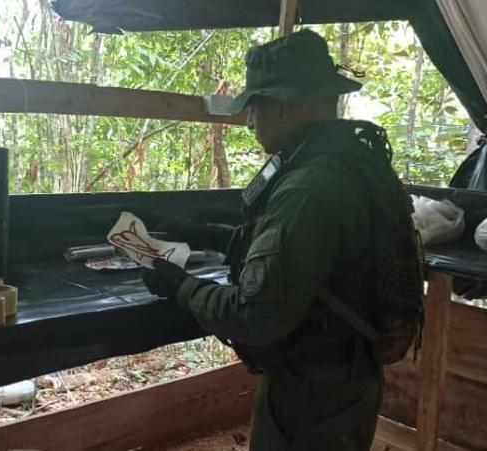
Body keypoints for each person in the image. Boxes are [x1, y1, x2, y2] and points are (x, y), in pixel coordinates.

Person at [142, 30, 422, 450]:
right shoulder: (349, 162)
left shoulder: (307, 188)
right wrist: (210, 235)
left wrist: (181, 287)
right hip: (346, 379)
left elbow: (255, 316)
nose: (250, 120)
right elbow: (315, 257)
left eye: (255, 107)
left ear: (285, 107)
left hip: (311, 395)